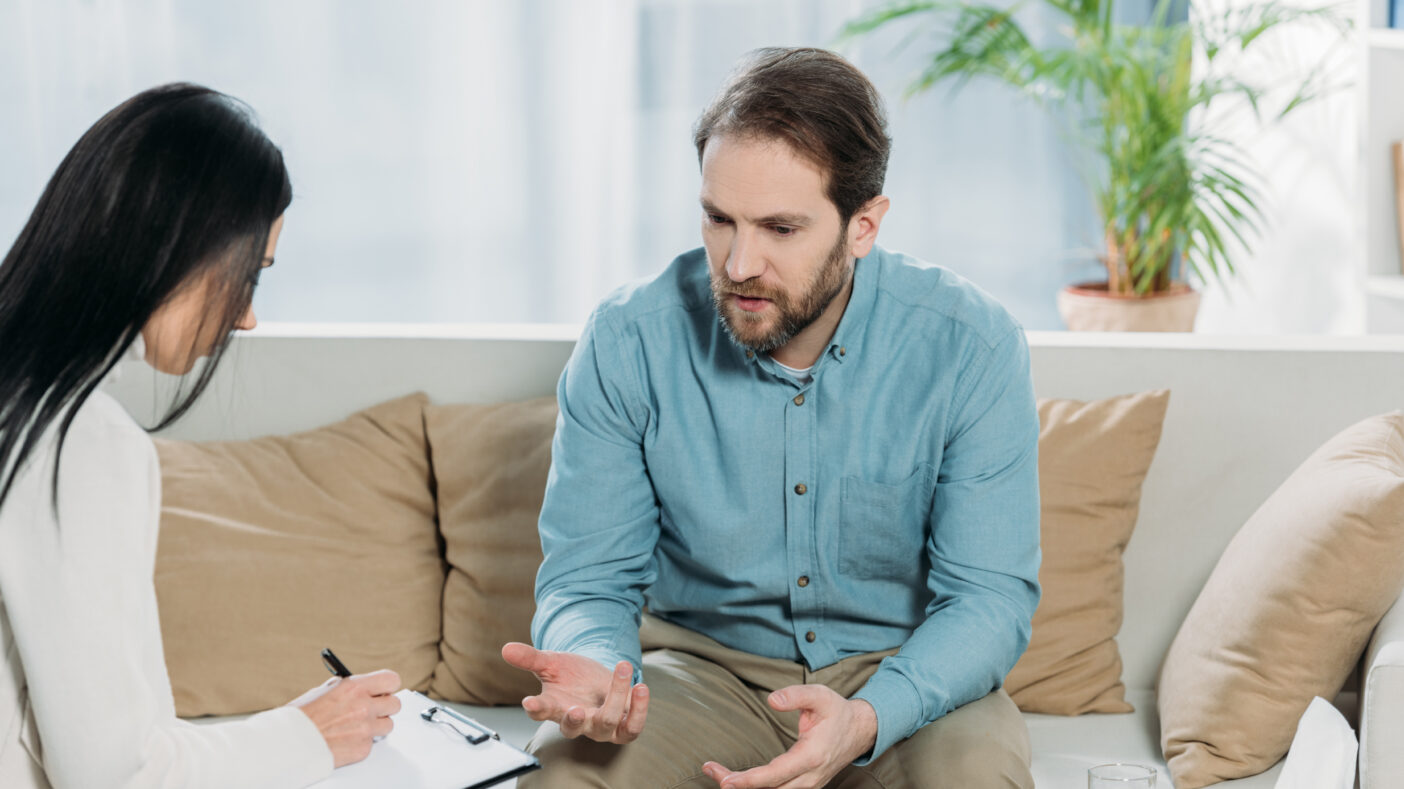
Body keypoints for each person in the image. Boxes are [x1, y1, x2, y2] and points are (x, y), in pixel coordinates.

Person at [502, 47, 1041, 788]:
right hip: (701, 671)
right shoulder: (629, 339)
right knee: (556, 778)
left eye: (780, 229)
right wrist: (600, 666)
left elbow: (987, 599)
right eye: (719, 219)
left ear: (863, 226)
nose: (738, 263)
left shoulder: (970, 345)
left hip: (901, 676)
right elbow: (588, 577)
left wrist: (869, 714)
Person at [0, 83, 402, 789]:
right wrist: (306, 737)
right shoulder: (80, 441)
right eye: (248, 274)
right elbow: (113, 775)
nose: (246, 317)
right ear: (175, 246)